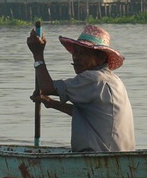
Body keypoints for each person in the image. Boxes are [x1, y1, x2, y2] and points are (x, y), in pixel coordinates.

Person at [27, 24, 136, 152]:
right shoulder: (114, 80)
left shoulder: (93, 78)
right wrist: (50, 103)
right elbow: (85, 114)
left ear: (100, 57)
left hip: (102, 159)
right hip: (120, 158)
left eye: (82, 53)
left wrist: (37, 55)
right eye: (75, 53)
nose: (76, 57)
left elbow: (46, 87)